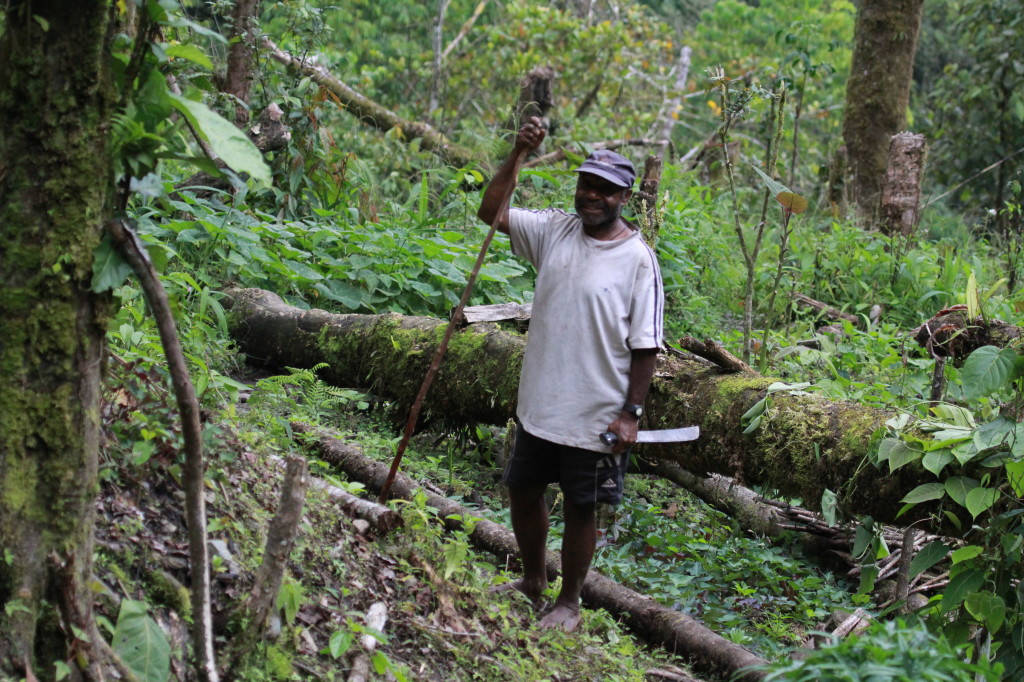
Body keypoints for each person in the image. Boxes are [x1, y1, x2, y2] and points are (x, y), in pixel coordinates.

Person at [477, 117, 664, 632]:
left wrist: (632, 414)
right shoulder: (555, 230)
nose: (591, 196)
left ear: (624, 196)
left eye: (604, 190)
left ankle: (569, 601)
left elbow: (645, 347)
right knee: (523, 489)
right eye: (586, 185)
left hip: (596, 413)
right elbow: (491, 212)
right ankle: (533, 580)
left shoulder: (638, 261)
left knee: (583, 506)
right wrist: (517, 151)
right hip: (541, 401)